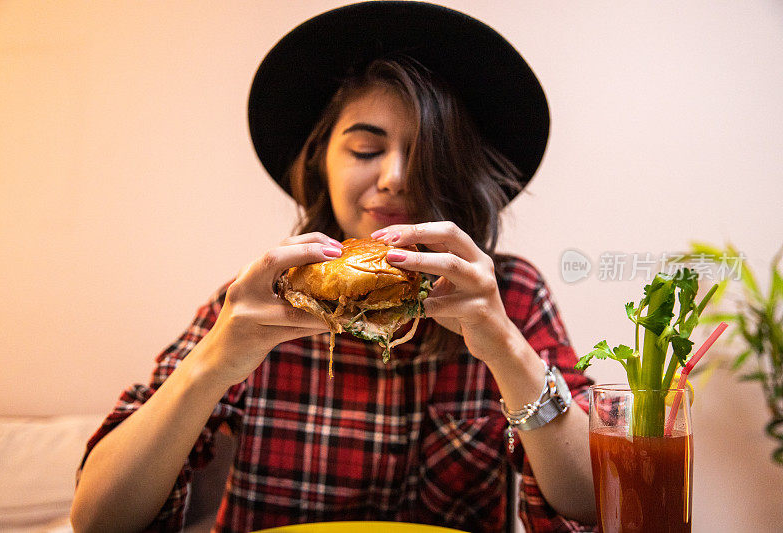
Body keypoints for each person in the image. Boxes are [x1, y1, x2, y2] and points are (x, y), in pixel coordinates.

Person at [71, 2, 597, 532]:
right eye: (366, 149)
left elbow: (593, 501)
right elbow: (98, 519)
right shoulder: (259, 302)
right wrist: (213, 362)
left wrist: (507, 349)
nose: (394, 177)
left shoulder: (508, 293)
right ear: (323, 160)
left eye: (426, 153)